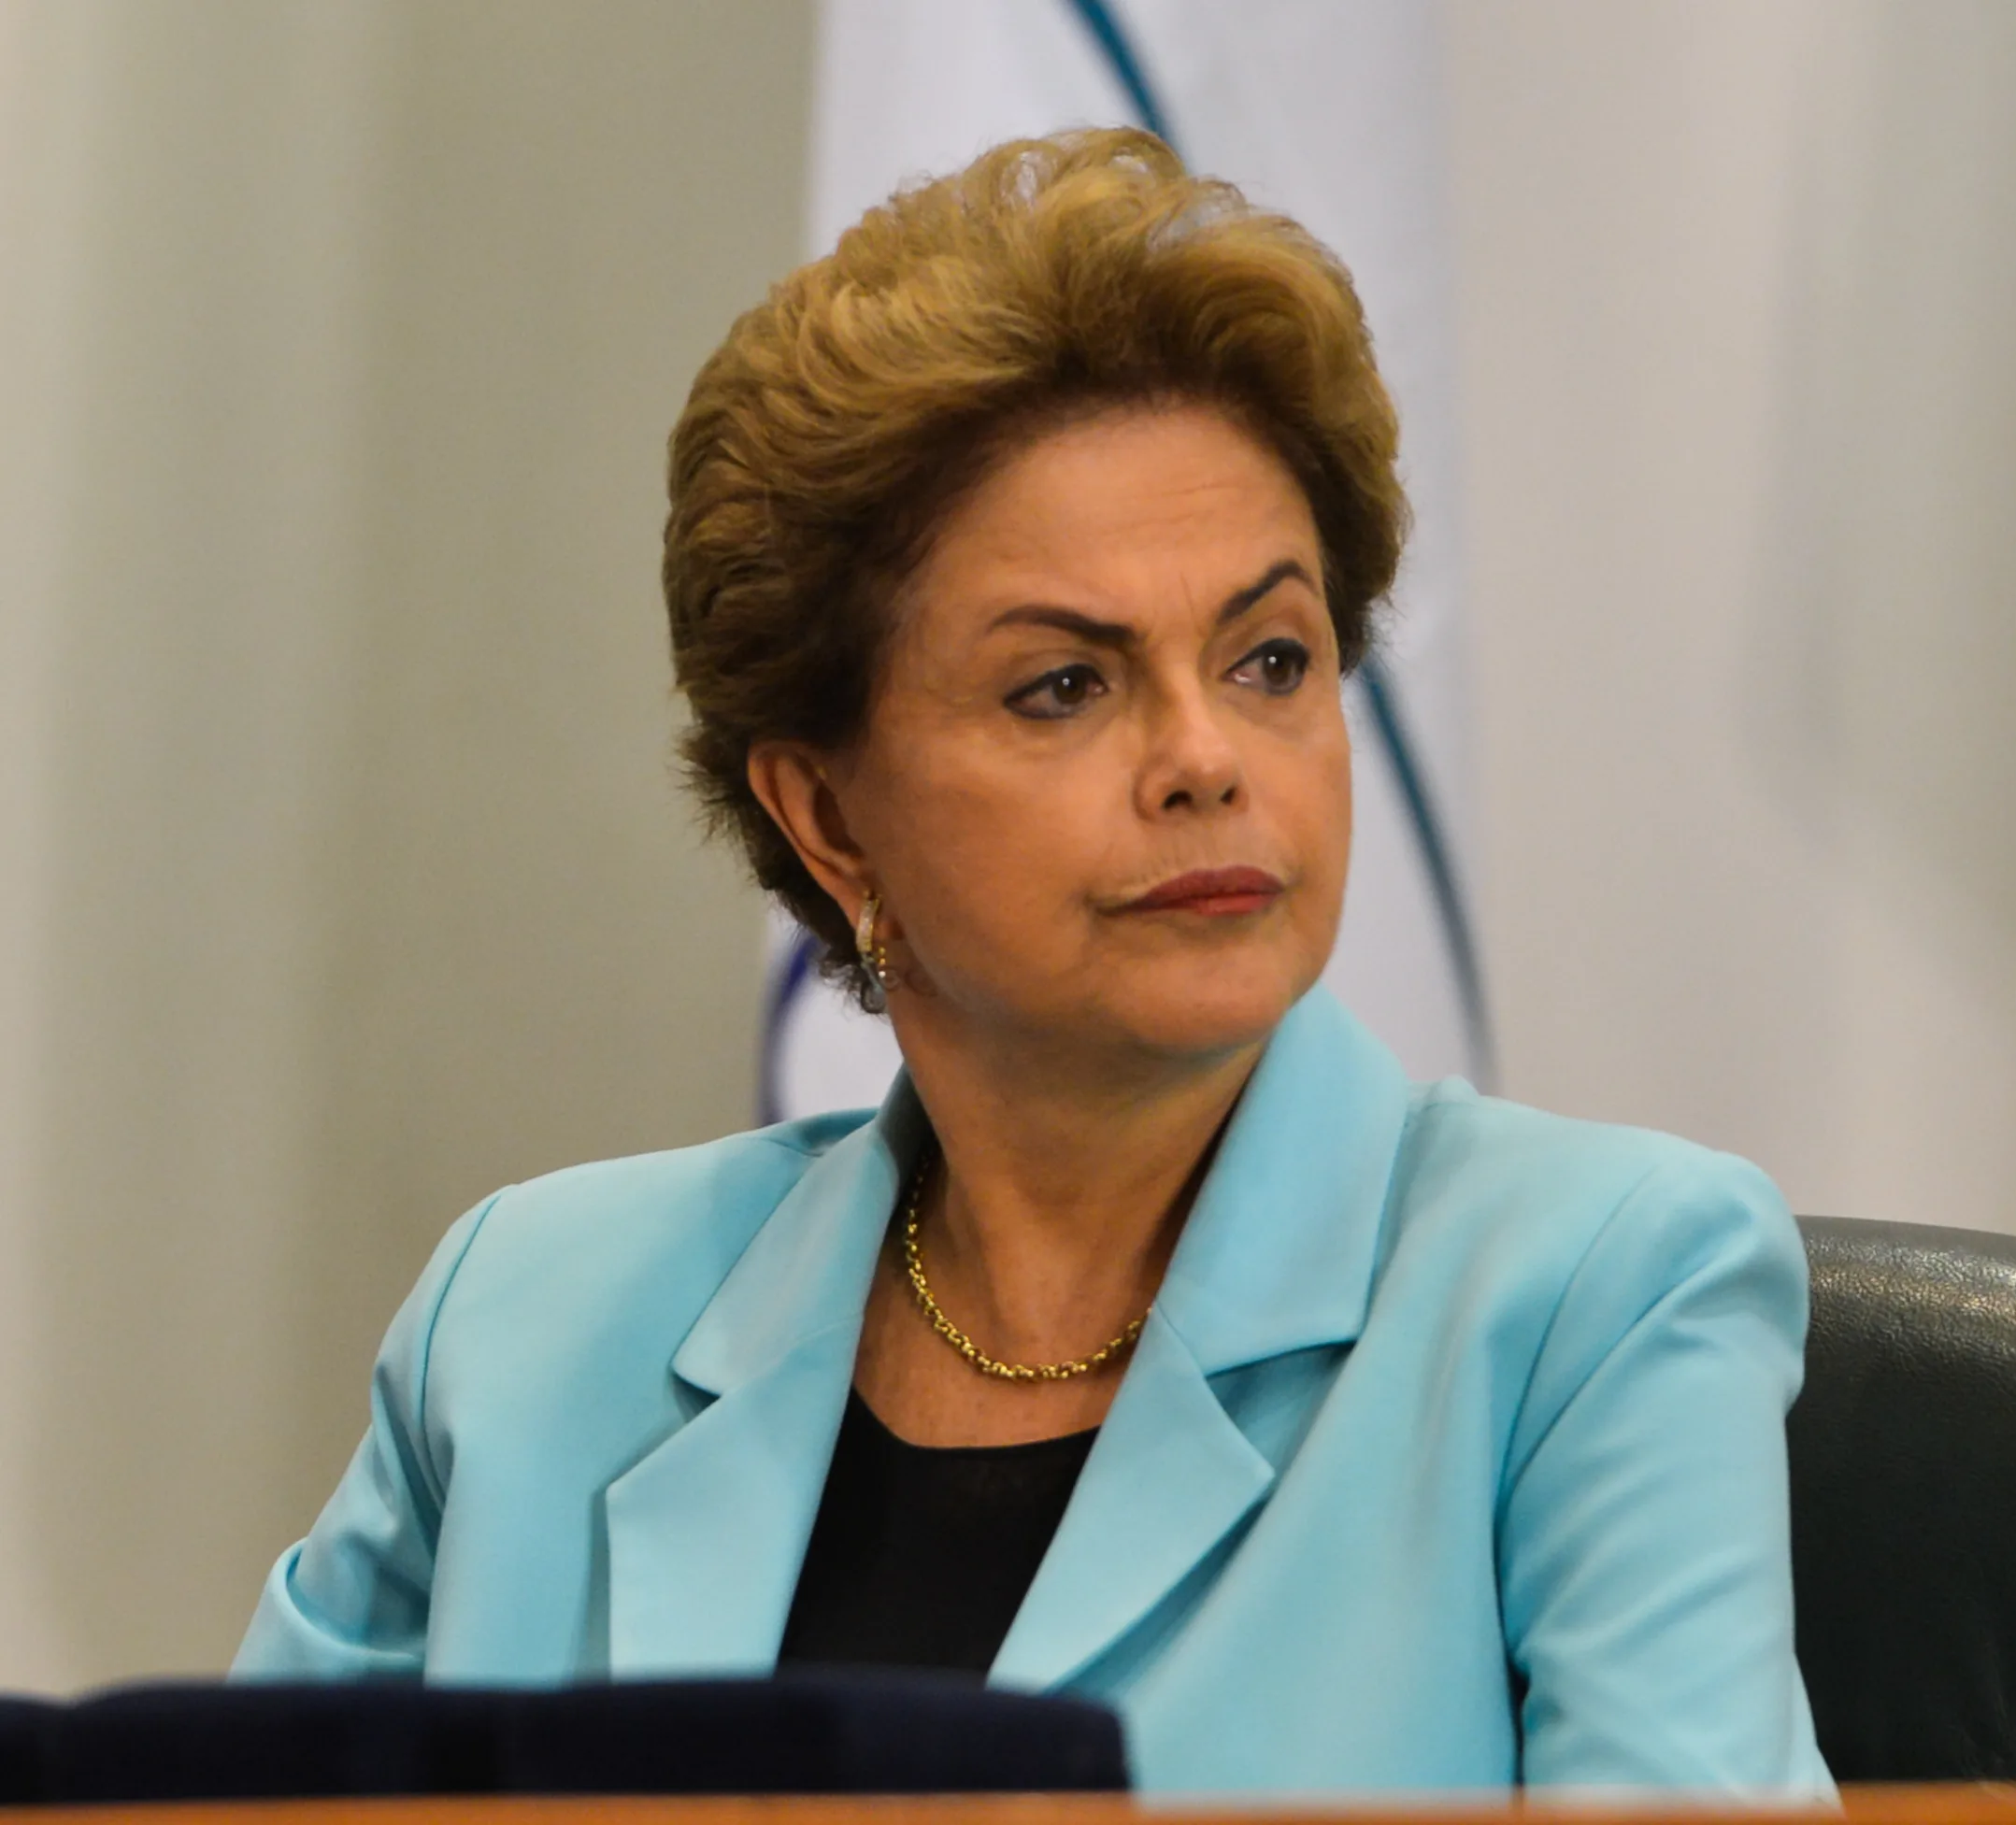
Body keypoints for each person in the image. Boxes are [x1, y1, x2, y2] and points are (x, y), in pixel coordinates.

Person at [233, 128, 1831, 1798]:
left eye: (1271, 657)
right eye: (1065, 685)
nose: (1207, 757)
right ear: (830, 819)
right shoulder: (528, 1329)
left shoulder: (1592, 1298)